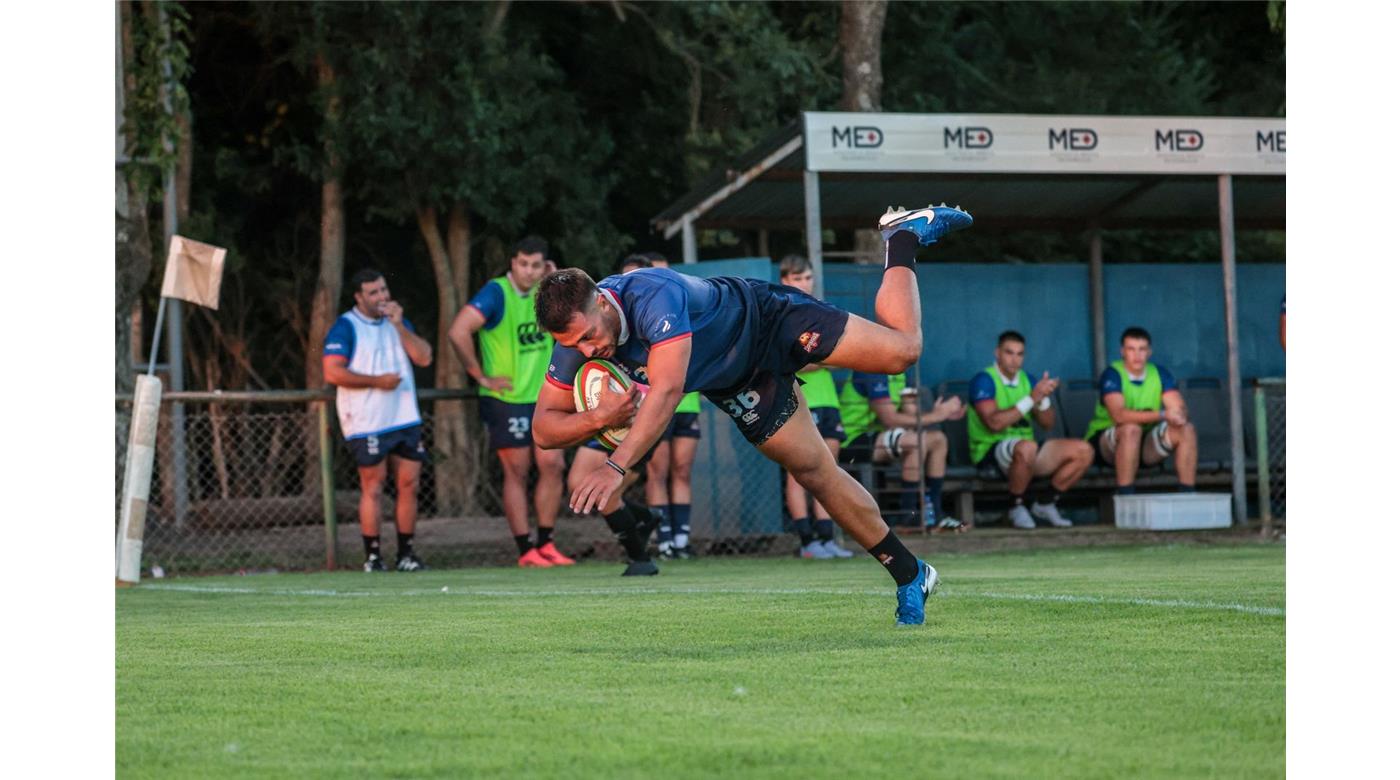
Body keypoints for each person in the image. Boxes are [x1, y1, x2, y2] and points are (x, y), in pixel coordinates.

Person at [532, 203, 973, 626]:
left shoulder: (651, 294)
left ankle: (901, 236)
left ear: (604, 304)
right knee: (815, 471)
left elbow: (666, 393)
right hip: (737, 383)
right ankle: (911, 574)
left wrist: (614, 466)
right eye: (575, 345)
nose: (588, 351)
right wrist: (596, 418)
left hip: (767, 320)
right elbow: (544, 430)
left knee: (903, 353)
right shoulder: (574, 341)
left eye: (589, 336)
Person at [447, 236, 572, 568]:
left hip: (546, 397)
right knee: (517, 471)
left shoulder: (545, 293)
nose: (528, 272)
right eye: (522, 264)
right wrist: (480, 376)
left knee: (553, 466)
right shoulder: (496, 292)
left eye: (536, 265)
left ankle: (546, 542)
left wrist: (555, 277)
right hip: (508, 400)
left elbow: (572, 316)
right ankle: (525, 549)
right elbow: (459, 330)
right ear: (512, 263)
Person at [322, 269, 433, 572]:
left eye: (383, 289)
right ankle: (373, 556)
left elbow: (424, 357)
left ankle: (406, 554)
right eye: (373, 292)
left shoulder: (397, 323)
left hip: (404, 416)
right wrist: (375, 381)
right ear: (359, 297)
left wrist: (399, 325)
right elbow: (332, 372)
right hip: (368, 420)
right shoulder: (346, 326)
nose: (382, 297)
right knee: (374, 485)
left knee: (409, 483)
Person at [967, 330, 1093, 529]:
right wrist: (1031, 398)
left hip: (1028, 451)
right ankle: (1015, 506)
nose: (1014, 359)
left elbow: (1048, 423)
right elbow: (994, 423)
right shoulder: (984, 380)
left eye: (1020, 354)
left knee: (1083, 450)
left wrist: (1042, 401)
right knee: (1027, 447)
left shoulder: (1029, 380)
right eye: (1009, 352)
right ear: (997, 353)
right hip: (990, 451)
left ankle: (1045, 503)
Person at [777, 254, 853, 559]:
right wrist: (820, 358)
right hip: (797, 402)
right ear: (785, 281)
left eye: (807, 277)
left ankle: (826, 537)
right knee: (798, 472)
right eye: (797, 278)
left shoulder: (820, 310)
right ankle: (807, 541)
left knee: (828, 471)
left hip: (827, 401)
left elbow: (841, 354)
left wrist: (819, 358)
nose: (804, 283)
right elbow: (791, 360)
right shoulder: (782, 310)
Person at [838, 371, 966, 531]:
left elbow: (911, 415)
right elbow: (889, 419)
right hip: (851, 439)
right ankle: (908, 514)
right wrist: (937, 415)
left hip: (877, 436)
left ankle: (934, 513)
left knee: (938, 439)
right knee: (914, 442)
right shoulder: (872, 370)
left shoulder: (899, 373)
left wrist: (942, 412)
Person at [636, 252, 702, 560]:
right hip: (657, 404)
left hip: (686, 404)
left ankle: (681, 541)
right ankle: (662, 541)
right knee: (657, 471)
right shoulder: (641, 317)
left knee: (682, 470)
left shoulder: (684, 308)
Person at [1083, 327, 1198, 493]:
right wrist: (1163, 414)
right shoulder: (1112, 373)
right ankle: (1126, 496)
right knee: (1131, 429)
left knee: (1186, 429)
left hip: (1146, 446)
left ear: (1149, 352)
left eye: (1142, 349)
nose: (1137, 355)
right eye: (1131, 349)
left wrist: (1179, 416)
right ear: (1122, 351)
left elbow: (1178, 408)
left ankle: (1188, 495)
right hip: (1107, 445)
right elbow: (1119, 416)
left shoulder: (1159, 373)